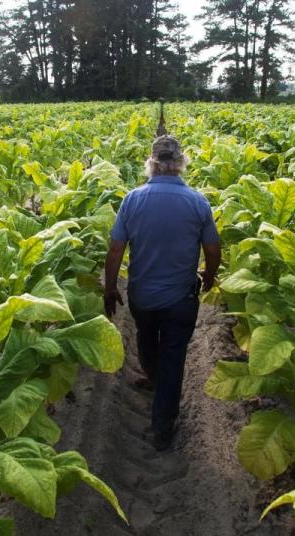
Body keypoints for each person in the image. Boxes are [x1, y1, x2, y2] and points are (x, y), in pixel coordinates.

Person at [103, 134, 221, 452]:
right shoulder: (198, 201)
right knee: (174, 357)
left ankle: (151, 375)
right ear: (181, 164)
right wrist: (209, 275)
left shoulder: (132, 199)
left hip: (143, 296)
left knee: (145, 334)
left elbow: (115, 250)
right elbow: (213, 247)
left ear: (152, 164)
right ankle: (163, 427)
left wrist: (110, 287)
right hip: (181, 300)